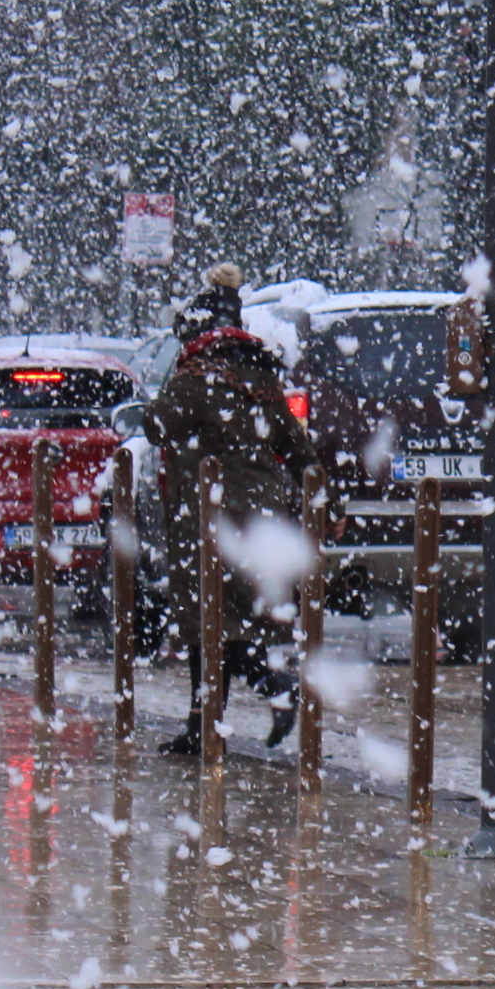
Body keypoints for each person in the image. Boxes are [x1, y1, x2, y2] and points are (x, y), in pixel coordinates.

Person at [151, 266, 321, 755]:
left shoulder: (195, 375)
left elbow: (156, 425)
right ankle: (206, 724)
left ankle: (266, 692)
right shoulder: (261, 375)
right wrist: (326, 501)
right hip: (260, 520)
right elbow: (296, 445)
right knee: (234, 621)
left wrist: (174, 382)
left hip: (211, 520)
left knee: (211, 625)